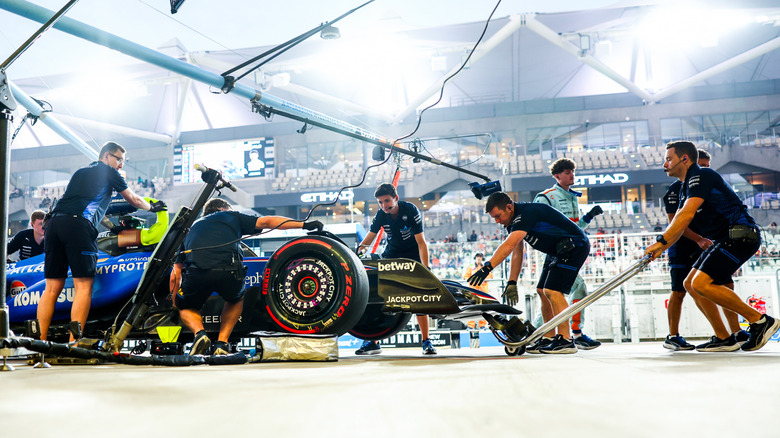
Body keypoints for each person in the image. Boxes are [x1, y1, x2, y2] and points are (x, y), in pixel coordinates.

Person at [645, 141, 779, 352]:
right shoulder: (684, 188)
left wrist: (660, 243)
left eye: (668, 159)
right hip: (727, 239)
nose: (665, 164)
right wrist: (661, 246)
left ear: (684, 159)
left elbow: (686, 216)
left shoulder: (701, 176)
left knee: (700, 283)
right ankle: (724, 337)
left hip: (740, 235)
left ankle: (761, 321)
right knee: (690, 284)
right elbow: (679, 223)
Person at [36, 142, 166, 342]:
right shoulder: (108, 171)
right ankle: (74, 342)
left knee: (52, 288)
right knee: (84, 286)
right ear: (106, 156)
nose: (121, 165)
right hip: (77, 226)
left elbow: (92, 206)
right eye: (119, 159)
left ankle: (40, 343)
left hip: (54, 224)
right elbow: (134, 200)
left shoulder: (80, 172)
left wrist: (112, 228)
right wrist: (153, 207)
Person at [170, 198, 323, 355]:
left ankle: (200, 335)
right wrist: (304, 224)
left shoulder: (192, 228)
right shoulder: (231, 216)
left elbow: (176, 272)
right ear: (224, 209)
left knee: (185, 307)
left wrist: (175, 301)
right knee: (235, 299)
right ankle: (222, 343)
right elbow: (268, 221)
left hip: (197, 273)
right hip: (228, 271)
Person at [469, 191, 590, 354]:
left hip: (575, 246)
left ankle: (566, 340)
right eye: (494, 219)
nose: (497, 221)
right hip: (557, 249)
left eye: (498, 216)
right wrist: (512, 282)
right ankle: (548, 336)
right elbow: (517, 252)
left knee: (553, 291)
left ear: (509, 207)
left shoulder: (526, 213)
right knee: (541, 291)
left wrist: (487, 267)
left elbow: (509, 245)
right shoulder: (513, 223)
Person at [662, 148, 746, 351]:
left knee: (725, 284)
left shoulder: (707, 184)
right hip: (684, 245)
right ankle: (673, 336)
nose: (704, 169)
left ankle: (735, 332)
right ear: (688, 162)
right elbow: (676, 224)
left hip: (709, 243)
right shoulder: (675, 191)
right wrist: (698, 239)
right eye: (701, 165)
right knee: (680, 289)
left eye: (707, 166)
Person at [356, 183, 436, 356]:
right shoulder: (381, 215)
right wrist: (357, 253)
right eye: (380, 202)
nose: (384, 205)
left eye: (387, 200)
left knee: (418, 299)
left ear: (396, 198)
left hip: (413, 256)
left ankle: (426, 341)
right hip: (391, 254)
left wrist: (426, 268)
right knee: (378, 295)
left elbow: (422, 243)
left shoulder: (410, 210)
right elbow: (368, 240)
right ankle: (373, 342)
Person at [533, 158, 604, 350]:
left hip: (569, 252)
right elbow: (537, 227)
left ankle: (540, 334)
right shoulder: (547, 197)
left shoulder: (572, 197)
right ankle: (567, 334)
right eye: (567, 172)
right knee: (557, 292)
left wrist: (589, 216)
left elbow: (575, 228)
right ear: (557, 176)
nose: (572, 174)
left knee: (552, 294)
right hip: (556, 253)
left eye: (573, 171)